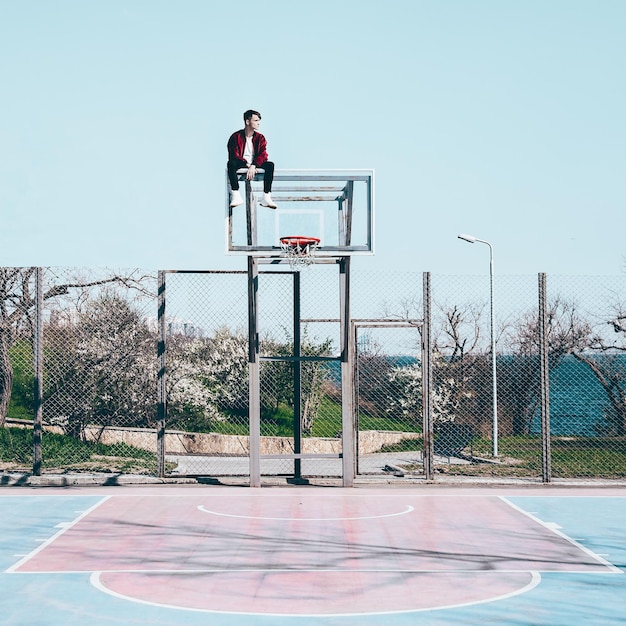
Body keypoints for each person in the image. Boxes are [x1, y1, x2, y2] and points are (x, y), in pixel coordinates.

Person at [227, 110, 277, 209]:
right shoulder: (235, 137)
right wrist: (247, 164)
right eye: (256, 120)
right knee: (231, 163)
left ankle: (266, 197)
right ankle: (236, 194)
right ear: (247, 121)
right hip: (241, 163)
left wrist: (254, 165)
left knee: (270, 165)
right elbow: (234, 154)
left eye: (259, 121)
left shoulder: (260, 138)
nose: (258, 123)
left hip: (256, 164)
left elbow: (263, 154)